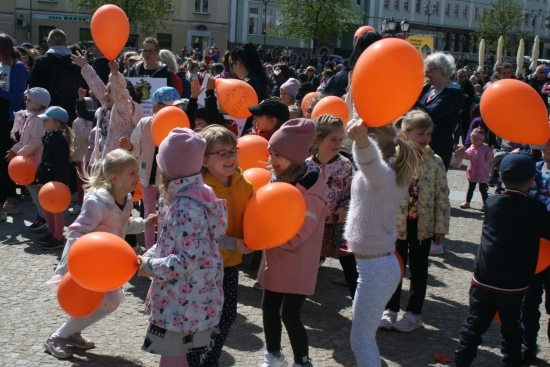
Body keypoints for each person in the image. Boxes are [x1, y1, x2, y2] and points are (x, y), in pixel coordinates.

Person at [43, 149, 155, 359]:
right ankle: (57, 337)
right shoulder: (97, 202)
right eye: (131, 173)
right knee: (94, 302)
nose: (136, 177)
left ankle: (72, 333)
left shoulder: (127, 199)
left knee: (108, 304)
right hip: (88, 264)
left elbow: (124, 223)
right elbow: (78, 230)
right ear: (114, 178)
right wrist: (75, 264)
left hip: (107, 265)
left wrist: (143, 223)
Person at [138, 128, 227, 367]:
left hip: (183, 300)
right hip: (196, 297)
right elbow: (174, 241)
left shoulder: (184, 206)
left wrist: (149, 266)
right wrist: (149, 254)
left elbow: (187, 260)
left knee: (173, 356)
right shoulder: (201, 194)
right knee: (179, 356)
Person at [454, 152, 550, 367]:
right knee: (511, 328)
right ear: (531, 181)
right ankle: (512, 363)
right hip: (514, 284)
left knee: (474, 323)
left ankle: (460, 362)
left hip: (484, 277)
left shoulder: (492, 203)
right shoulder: (536, 210)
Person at [344, 119, 418, 367]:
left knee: (361, 340)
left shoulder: (385, 176)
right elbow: (368, 163)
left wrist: (363, 142)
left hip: (376, 269)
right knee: (364, 337)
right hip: (377, 266)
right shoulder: (388, 172)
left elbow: (368, 161)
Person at [257, 118, 326, 367]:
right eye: (272, 152)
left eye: (280, 155)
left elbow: (301, 231)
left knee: (290, 314)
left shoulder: (309, 190)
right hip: (276, 257)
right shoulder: (279, 177)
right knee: (268, 307)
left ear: (296, 158)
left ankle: (302, 360)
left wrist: (268, 237)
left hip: (297, 260)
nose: (273, 160)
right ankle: (273, 355)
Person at [187, 125, 253, 367]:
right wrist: (234, 243)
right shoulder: (199, 191)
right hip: (203, 269)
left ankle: (210, 361)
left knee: (226, 317)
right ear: (204, 160)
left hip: (231, 265)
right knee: (200, 320)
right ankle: (192, 362)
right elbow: (200, 235)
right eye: (221, 154)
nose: (230, 158)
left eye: (232, 151)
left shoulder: (244, 183)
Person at [380, 110, 450, 330]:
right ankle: (390, 309)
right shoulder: (394, 159)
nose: (426, 139)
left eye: (429, 134)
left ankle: (414, 313)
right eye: (421, 134)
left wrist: (441, 226)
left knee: (419, 271)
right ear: (405, 133)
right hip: (397, 224)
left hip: (424, 226)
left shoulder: (435, 161)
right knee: (395, 269)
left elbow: (442, 195)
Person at [119, 86, 182, 249]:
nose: (171, 109)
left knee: (164, 212)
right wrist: (129, 147)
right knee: (149, 212)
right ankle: (149, 247)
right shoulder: (146, 123)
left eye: (174, 107)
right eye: (167, 106)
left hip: (167, 177)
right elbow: (136, 147)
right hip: (148, 175)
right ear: (157, 106)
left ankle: (161, 247)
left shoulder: (177, 123)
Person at [305, 115, 357, 298]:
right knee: (308, 264)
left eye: (340, 139)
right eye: (333, 139)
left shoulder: (345, 165)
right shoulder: (307, 166)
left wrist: (344, 207)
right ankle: (297, 299)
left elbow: (351, 191)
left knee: (349, 263)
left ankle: (358, 300)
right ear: (318, 139)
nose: (338, 144)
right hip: (312, 225)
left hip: (337, 224)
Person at [71, 51, 143, 165]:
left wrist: (115, 75)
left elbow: (119, 93)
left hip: (120, 160)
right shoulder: (107, 104)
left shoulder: (125, 109)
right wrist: (85, 66)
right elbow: (97, 86)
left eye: (109, 91)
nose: (105, 94)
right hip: (104, 158)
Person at [521, 141, 550, 361]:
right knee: (529, 299)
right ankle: (528, 345)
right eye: (547, 143)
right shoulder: (532, 170)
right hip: (532, 246)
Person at [6, 87, 50, 229]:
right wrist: (14, 149)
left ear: (38, 103)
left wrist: (19, 154)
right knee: (32, 189)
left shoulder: (38, 119)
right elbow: (24, 139)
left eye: (29, 100)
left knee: (36, 191)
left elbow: (37, 141)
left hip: (34, 161)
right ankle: (41, 214)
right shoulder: (30, 116)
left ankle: (44, 216)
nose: (26, 101)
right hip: (28, 161)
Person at [29, 29, 87, 124]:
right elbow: (85, 85)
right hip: (72, 112)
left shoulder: (41, 62)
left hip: (47, 112)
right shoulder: (76, 62)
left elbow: (34, 89)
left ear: (48, 44)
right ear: (66, 44)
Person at [0, 33, 29, 220]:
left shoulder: (18, 67)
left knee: (7, 158)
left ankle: (12, 199)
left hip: (11, 119)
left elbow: (18, 98)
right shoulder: (2, 65)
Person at [35, 107, 72, 250]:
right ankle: (51, 232)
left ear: (57, 123)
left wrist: (57, 183)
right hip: (46, 179)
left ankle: (58, 236)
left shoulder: (60, 140)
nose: (43, 122)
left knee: (56, 209)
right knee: (46, 206)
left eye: (46, 120)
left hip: (56, 181)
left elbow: (60, 164)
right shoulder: (49, 136)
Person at [419, 52, 463, 171]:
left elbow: (430, 115)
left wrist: (410, 97)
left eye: (429, 71)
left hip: (438, 149)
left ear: (441, 70)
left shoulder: (452, 94)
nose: (426, 74)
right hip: (422, 147)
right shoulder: (430, 89)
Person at [455, 128, 494, 211]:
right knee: (471, 187)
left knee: (482, 189)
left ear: (482, 140)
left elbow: (489, 159)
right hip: (472, 171)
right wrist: (461, 151)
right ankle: (467, 202)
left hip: (482, 172)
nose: (473, 141)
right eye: (472, 139)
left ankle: (485, 204)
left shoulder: (486, 148)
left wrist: (490, 152)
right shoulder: (472, 147)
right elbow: (466, 156)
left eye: (476, 139)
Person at [69, 89, 95, 216]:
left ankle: (87, 206)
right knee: (80, 183)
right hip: (79, 157)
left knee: (88, 182)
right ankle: (80, 204)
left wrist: (79, 122)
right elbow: (73, 139)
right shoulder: (77, 121)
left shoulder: (90, 121)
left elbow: (87, 136)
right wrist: (71, 153)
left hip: (88, 157)